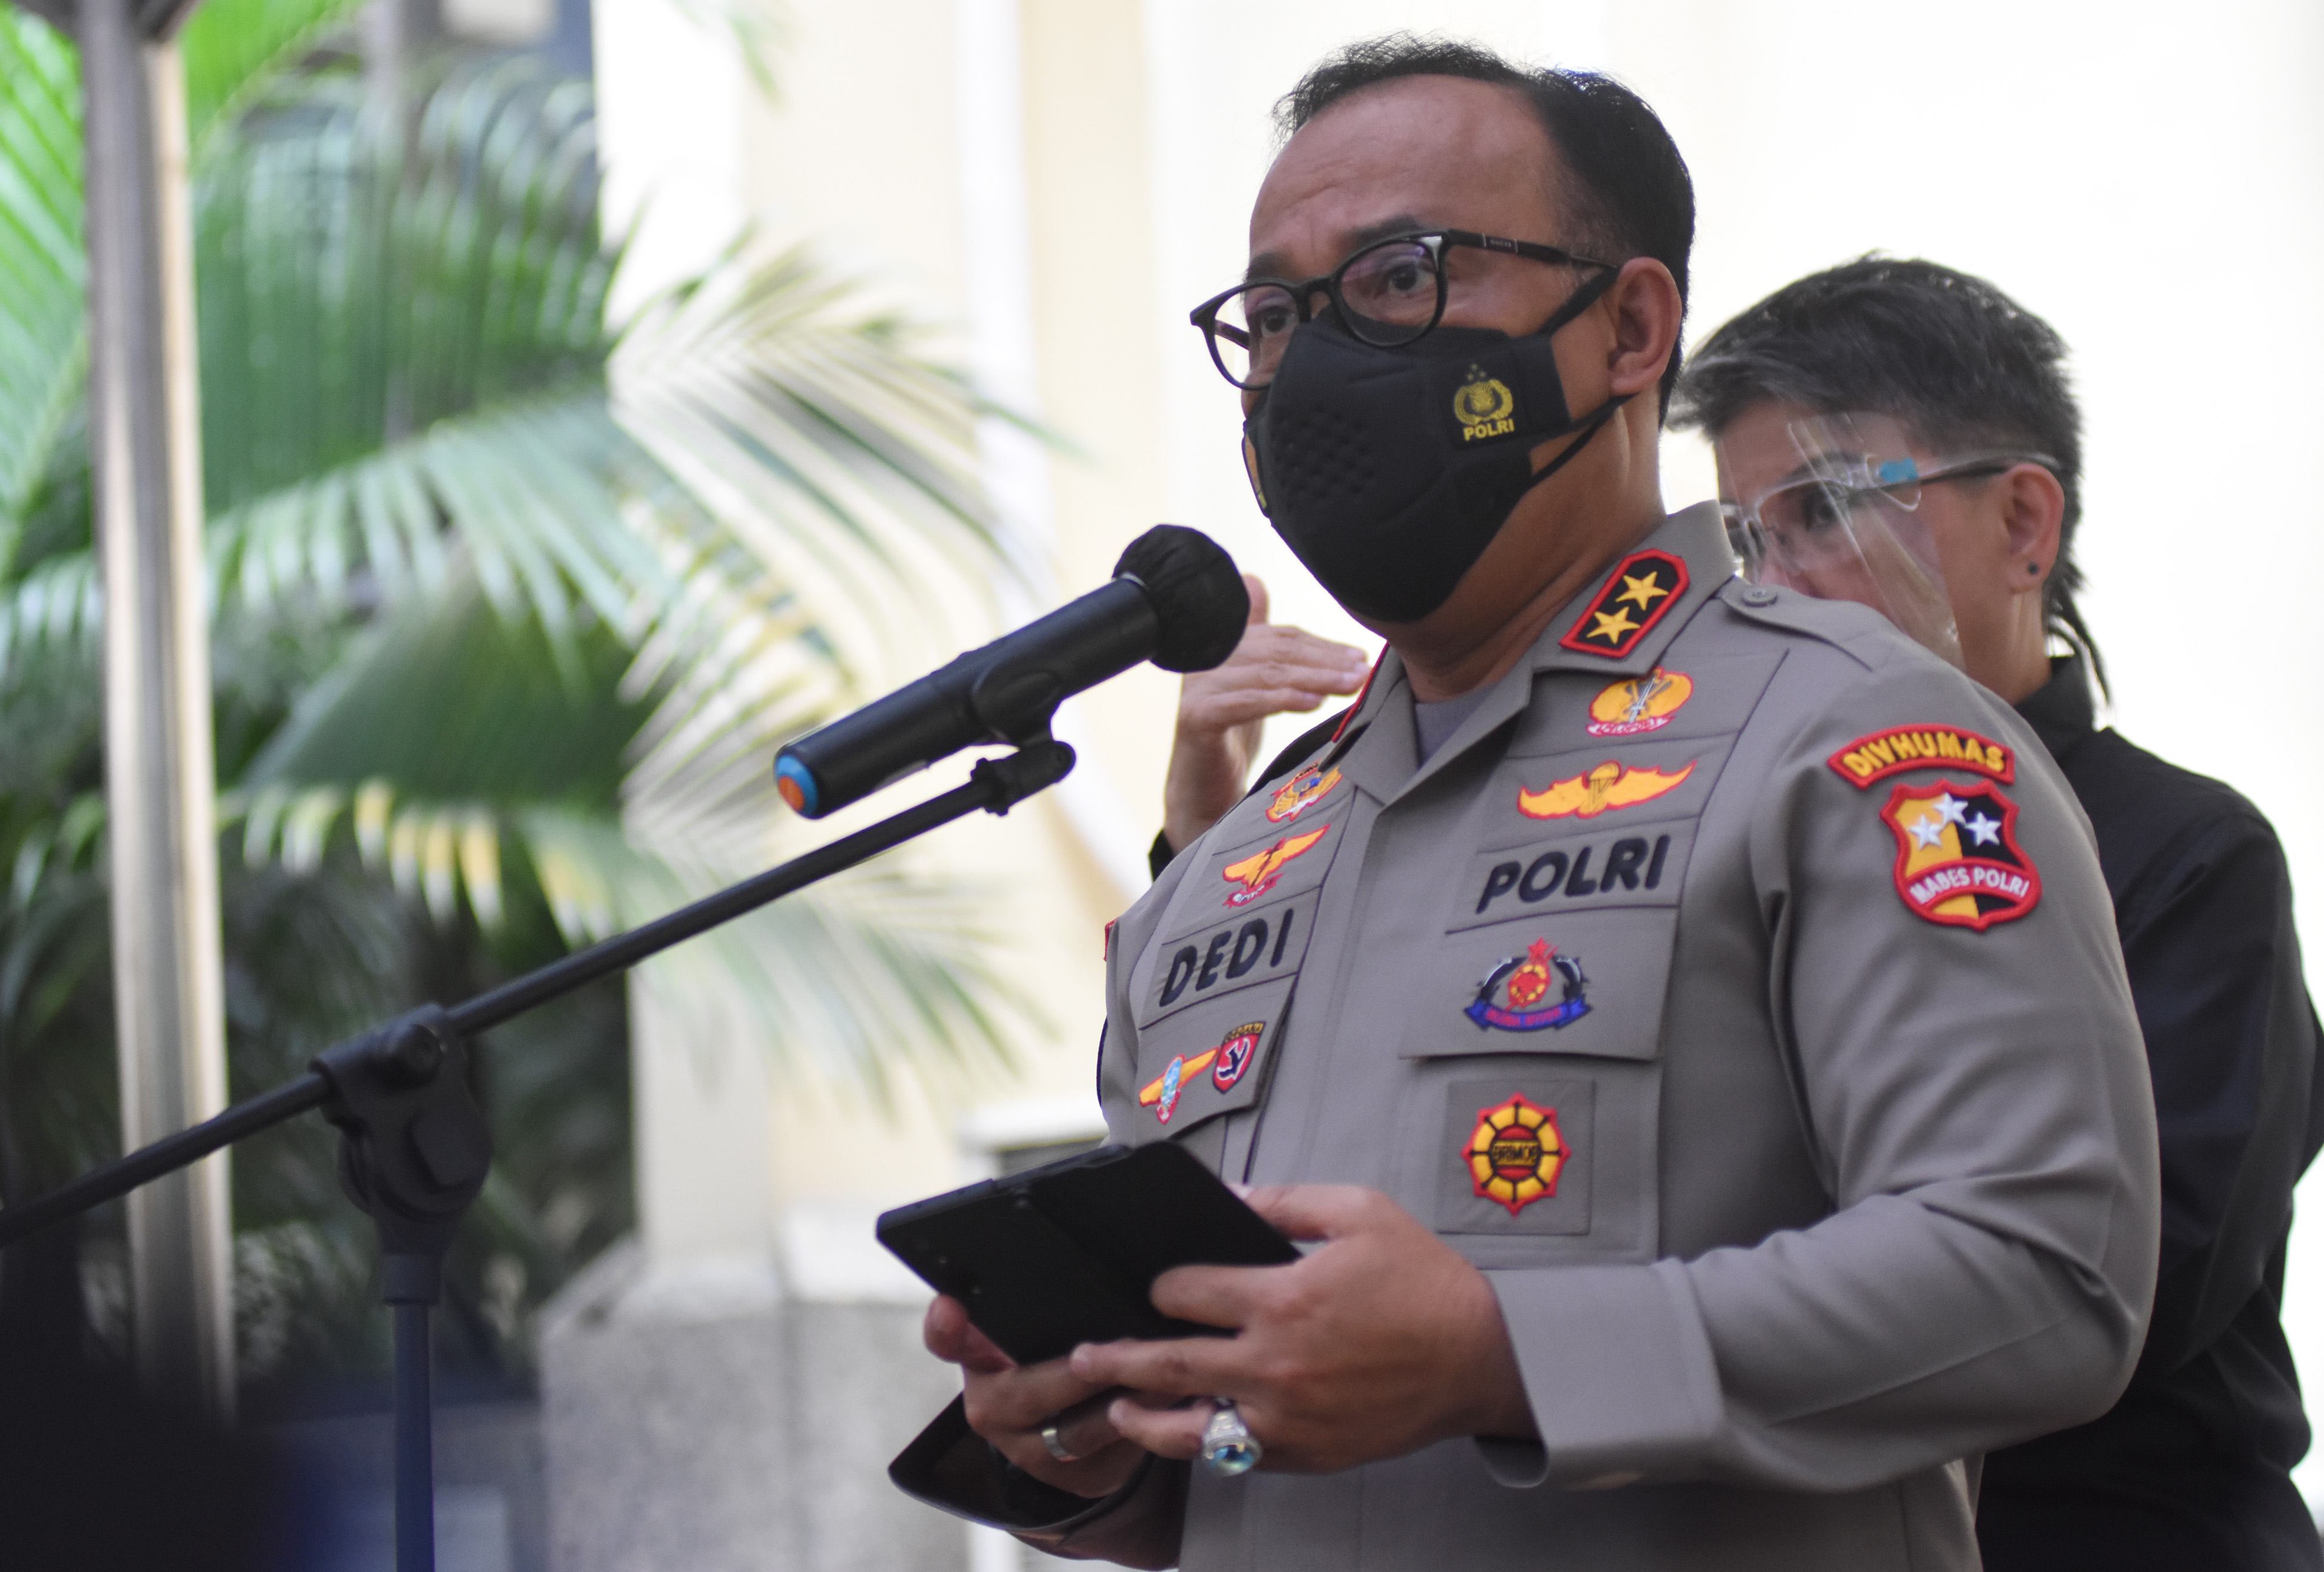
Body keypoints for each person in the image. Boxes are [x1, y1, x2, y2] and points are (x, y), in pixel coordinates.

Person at [902, 37, 2161, 1570]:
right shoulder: (1225, 871)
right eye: (1276, 317)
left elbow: (2040, 1274)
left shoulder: (1850, 734)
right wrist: (1088, 1435)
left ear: (1628, 329)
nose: (1317, 364)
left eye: (1399, 278)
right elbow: (1242, 1445)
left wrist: (1501, 1354)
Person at [1671, 256, 2324, 1571]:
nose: (1769, 587)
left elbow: (2123, 1287)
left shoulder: (2188, 852)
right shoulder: (1722, 843)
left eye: (1822, 509)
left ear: (2025, 522)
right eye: (1743, 539)